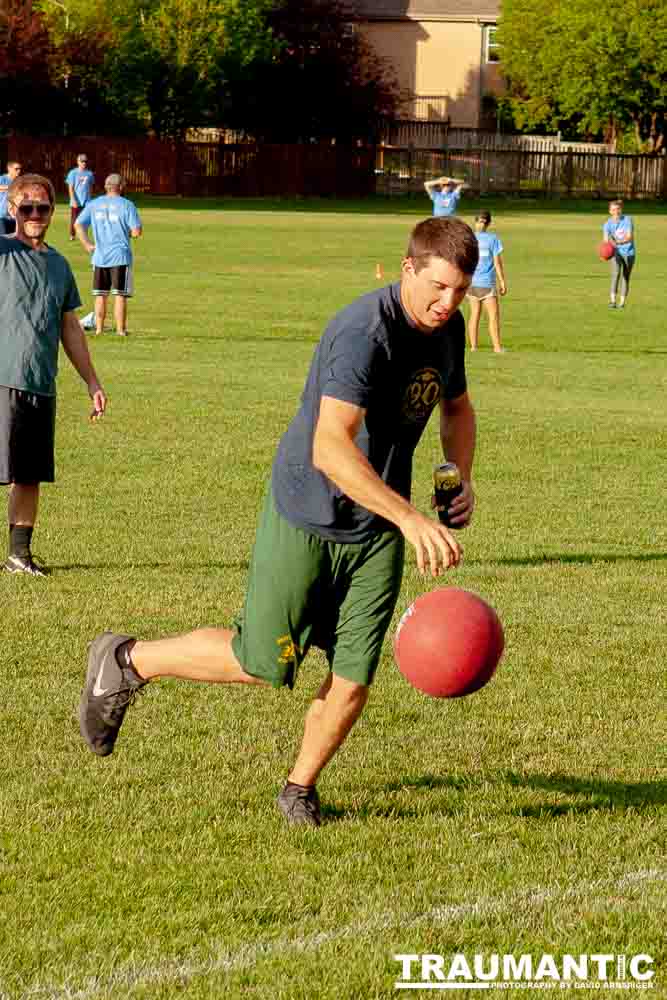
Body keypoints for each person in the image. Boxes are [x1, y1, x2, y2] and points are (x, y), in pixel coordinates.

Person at [78, 216, 479, 827]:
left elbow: (457, 405)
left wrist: (458, 473)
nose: (448, 303)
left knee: (353, 675)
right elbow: (330, 446)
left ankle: (299, 788)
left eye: (459, 290)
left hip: (376, 533)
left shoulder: (446, 334)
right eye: (439, 286)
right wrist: (411, 519)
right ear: (408, 268)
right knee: (261, 663)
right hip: (311, 513)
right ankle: (130, 660)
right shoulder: (361, 333)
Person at [0, 173, 107, 576]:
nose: (34, 215)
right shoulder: (3, 251)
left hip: (40, 382)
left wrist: (92, 381)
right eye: (25, 207)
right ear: (12, 210)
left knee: (29, 474)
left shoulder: (59, 265)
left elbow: (69, 327)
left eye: (42, 208)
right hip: (2, 378)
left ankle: (19, 556)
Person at [75, 174, 142, 337]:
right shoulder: (127, 205)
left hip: (100, 256)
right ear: (121, 186)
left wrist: (87, 244)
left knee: (100, 294)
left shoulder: (94, 204)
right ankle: (120, 330)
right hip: (120, 256)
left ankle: (98, 329)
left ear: (106, 187)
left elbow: (78, 224)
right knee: (120, 294)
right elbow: (136, 231)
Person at [466, 210, 507, 353]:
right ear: (475, 221)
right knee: (476, 314)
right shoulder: (469, 239)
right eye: (479, 221)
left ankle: (495, 347)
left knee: (492, 316)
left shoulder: (493, 239)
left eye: (484, 222)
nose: (481, 224)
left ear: (488, 223)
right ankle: (474, 347)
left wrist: (502, 281)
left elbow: (497, 262)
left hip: (487, 283)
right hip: (475, 284)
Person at [603, 199, 636, 309]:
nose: (616, 212)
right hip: (616, 253)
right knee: (616, 274)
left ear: (621, 210)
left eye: (618, 209)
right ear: (610, 211)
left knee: (626, 277)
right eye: (613, 210)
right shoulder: (607, 225)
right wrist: (605, 253)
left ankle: (622, 303)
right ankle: (612, 301)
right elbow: (606, 242)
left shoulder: (627, 220)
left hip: (629, 253)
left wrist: (618, 242)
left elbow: (629, 237)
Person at [65, 153, 95, 241]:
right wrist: (73, 199)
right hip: (76, 201)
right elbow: (70, 187)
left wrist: (90, 198)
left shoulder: (89, 174)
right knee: (74, 219)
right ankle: (72, 235)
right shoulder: (73, 173)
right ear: (78, 162)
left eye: (85, 161)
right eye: (82, 161)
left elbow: (90, 187)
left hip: (86, 201)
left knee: (85, 219)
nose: (84, 163)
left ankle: (83, 235)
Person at [0, 161, 22, 235]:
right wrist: (10, 187)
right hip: (2, 216)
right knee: (3, 240)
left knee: (13, 239)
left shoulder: (19, 181)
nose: (19, 171)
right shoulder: (2, 178)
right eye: (16, 169)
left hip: (14, 216)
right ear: (9, 168)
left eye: (19, 169)